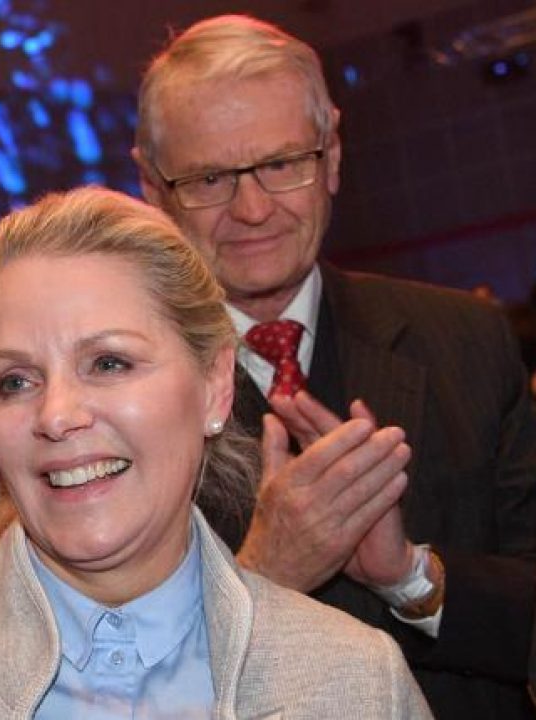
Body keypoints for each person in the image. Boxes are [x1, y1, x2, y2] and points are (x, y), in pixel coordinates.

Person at [0, 187, 429, 718]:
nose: (56, 415)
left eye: (108, 363)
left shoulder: (353, 682)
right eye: (15, 381)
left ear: (214, 385)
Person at [131, 14, 536, 717]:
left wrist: (412, 578)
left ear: (334, 156)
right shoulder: (112, 401)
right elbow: (105, 682)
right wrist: (267, 574)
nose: (253, 209)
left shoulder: (467, 339)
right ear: (152, 186)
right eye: (210, 178)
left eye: (283, 164)